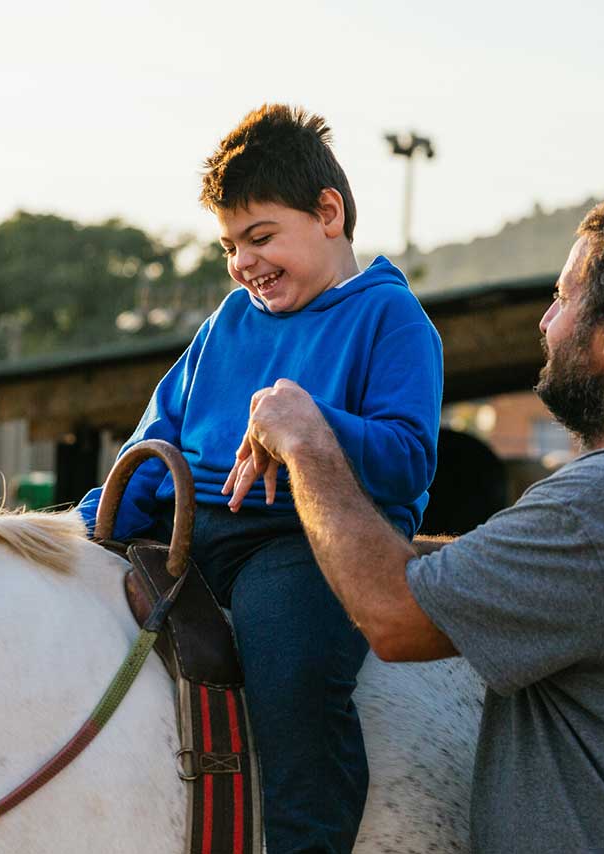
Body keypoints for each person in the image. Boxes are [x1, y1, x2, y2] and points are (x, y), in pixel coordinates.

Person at [238, 195, 604, 853]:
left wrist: (308, 441)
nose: (546, 322)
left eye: (563, 299)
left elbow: (393, 614)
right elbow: (486, 569)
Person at [76, 104, 443, 854]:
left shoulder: (392, 320)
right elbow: (163, 427)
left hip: (307, 541)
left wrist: (312, 422)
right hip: (194, 525)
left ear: (328, 213)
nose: (244, 263)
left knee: (293, 676)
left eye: (261, 237)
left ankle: (307, 842)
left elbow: (408, 457)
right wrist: (93, 521)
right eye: (229, 247)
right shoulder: (228, 321)